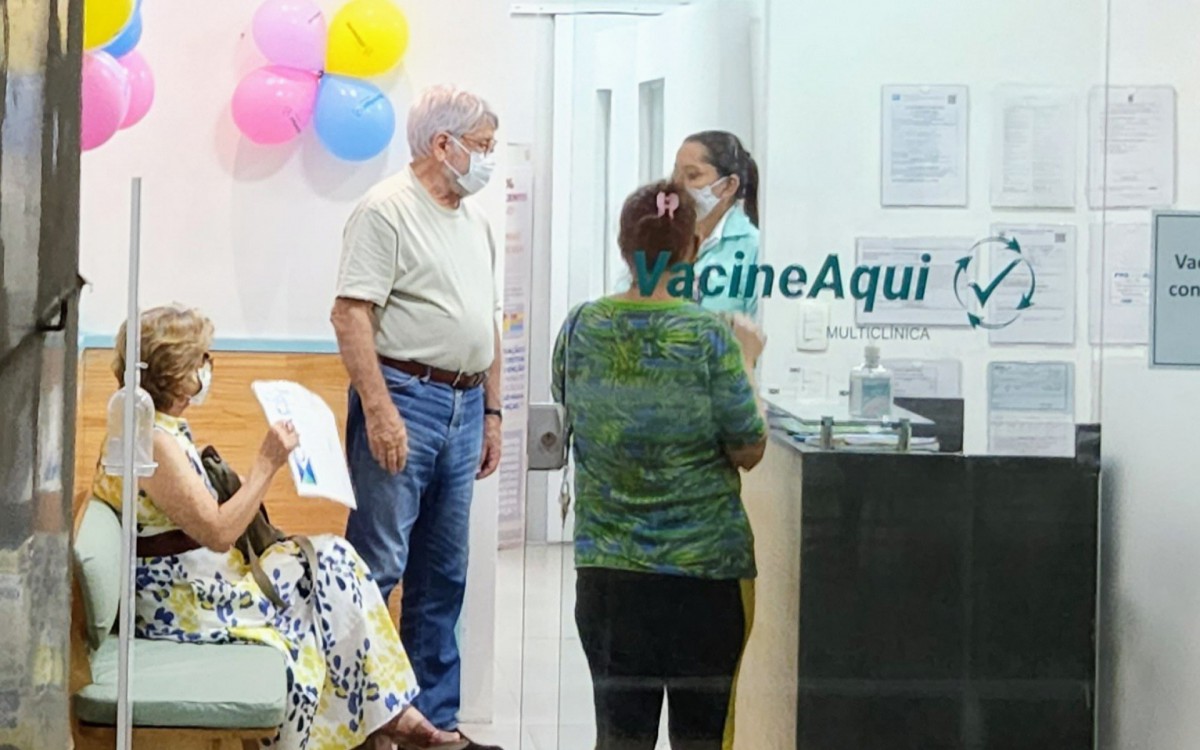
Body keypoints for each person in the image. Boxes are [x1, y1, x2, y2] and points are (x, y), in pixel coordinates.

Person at [90, 304, 464, 750]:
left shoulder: (157, 429)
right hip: (182, 600)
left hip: (199, 581)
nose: (208, 369)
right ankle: (389, 718)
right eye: (201, 360)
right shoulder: (150, 440)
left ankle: (386, 718)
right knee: (330, 573)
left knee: (333, 561)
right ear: (176, 372)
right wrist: (267, 463)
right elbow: (219, 533)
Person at [552, 181, 769, 750]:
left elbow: (572, 407)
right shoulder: (709, 337)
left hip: (608, 575)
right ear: (692, 249)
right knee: (701, 737)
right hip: (704, 578)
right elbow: (748, 448)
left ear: (625, 248)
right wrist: (748, 361)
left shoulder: (580, 327)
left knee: (619, 736)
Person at [331, 84, 504, 750]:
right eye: (482, 145)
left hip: (465, 403)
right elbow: (351, 313)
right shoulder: (386, 210)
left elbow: (486, 323)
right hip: (405, 396)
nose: (488, 157)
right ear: (443, 144)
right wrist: (379, 411)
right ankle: (365, 723)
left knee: (443, 573)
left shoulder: (475, 224)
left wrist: (493, 412)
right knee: (379, 566)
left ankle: (435, 723)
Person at [672, 130, 762, 318]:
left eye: (692, 175)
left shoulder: (754, 249)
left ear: (729, 185)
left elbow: (760, 327)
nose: (677, 186)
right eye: (675, 174)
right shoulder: (661, 238)